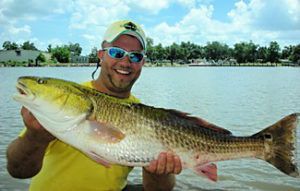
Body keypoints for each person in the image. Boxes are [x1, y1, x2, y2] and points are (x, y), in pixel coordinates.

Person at [6, 20, 182, 191]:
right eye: (116, 52)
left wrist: (158, 172)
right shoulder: (62, 105)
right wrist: (35, 136)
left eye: (135, 56)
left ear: (142, 63)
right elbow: (18, 171)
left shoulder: (147, 117)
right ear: (101, 55)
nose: (125, 62)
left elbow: (158, 189)